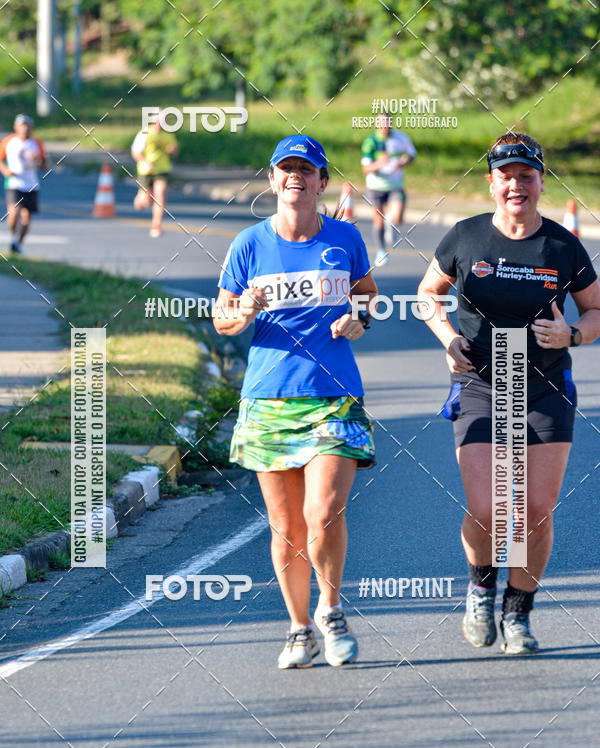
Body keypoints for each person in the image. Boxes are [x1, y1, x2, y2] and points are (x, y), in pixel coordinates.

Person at [417, 132, 600, 655]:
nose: (516, 185)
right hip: (479, 382)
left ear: (541, 181)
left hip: (543, 387)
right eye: (506, 176)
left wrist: (574, 334)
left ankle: (517, 612)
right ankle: (480, 585)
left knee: (536, 510)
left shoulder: (563, 245)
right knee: (488, 507)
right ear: (491, 182)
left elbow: (595, 310)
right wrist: (449, 339)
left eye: (526, 175)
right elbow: (429, 295)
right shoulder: (465, 237)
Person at [214, 135, 377, 669]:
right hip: (268, 398)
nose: (295, 178)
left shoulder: (346, 238)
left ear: (321, 181)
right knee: (286, 529)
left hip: (333, 397)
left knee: (323, 511)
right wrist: (246, 309)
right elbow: (223, 319)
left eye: (306, 170)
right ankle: (299, 627)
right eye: (286, 169)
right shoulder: (248, 245)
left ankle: (331, 609)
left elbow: (367, 295)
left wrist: (359, 319)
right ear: (272, 178)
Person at [361, 114, 416, 267]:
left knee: (397, 217)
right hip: (376, 186)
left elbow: (412, 154)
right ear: (377, 124)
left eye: (387, 123)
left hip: (395, 185)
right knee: (378, 219)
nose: (385, 127)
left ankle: (390, 224)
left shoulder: (401, 138)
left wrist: (406, 160)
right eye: (382, 124)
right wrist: (379, 163)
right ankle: (381, 251)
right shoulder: (371, 142)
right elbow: (366, 168)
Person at [0, 114, 46, 254]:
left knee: (26, 218)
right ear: (16, 127)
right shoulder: (9, 141)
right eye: (22, 125)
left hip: (31, 184)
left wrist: (37, 160)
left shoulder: (36, 143)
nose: (24, 128)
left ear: (31, 127)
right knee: (13, 213)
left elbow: (44, 165)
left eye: (27, 125)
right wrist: (5, 170)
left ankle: (18, 244)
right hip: (14, 183)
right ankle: (13, 237)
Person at [130, 113, 178, 237]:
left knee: (160, 193)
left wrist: (172, 150)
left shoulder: (168, 134)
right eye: (159, 120)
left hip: (162, 169)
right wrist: (145, 161)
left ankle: (156, 225)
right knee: (145, 201)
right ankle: (140, 199)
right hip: (146, 171)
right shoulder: (144, 133)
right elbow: (135, 152)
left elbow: (175, 149)